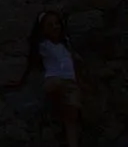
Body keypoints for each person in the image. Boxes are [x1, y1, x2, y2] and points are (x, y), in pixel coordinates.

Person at [5, 10, 84, 147]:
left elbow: (73, 65)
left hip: (70, 84)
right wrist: (20, 82)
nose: (55, 27)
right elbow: (31, 65)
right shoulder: (43, 46)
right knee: (58, 86)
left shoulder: (65, 45)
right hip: (54, 81)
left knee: (71, 117)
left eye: (56, 23)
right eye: (50, 25)